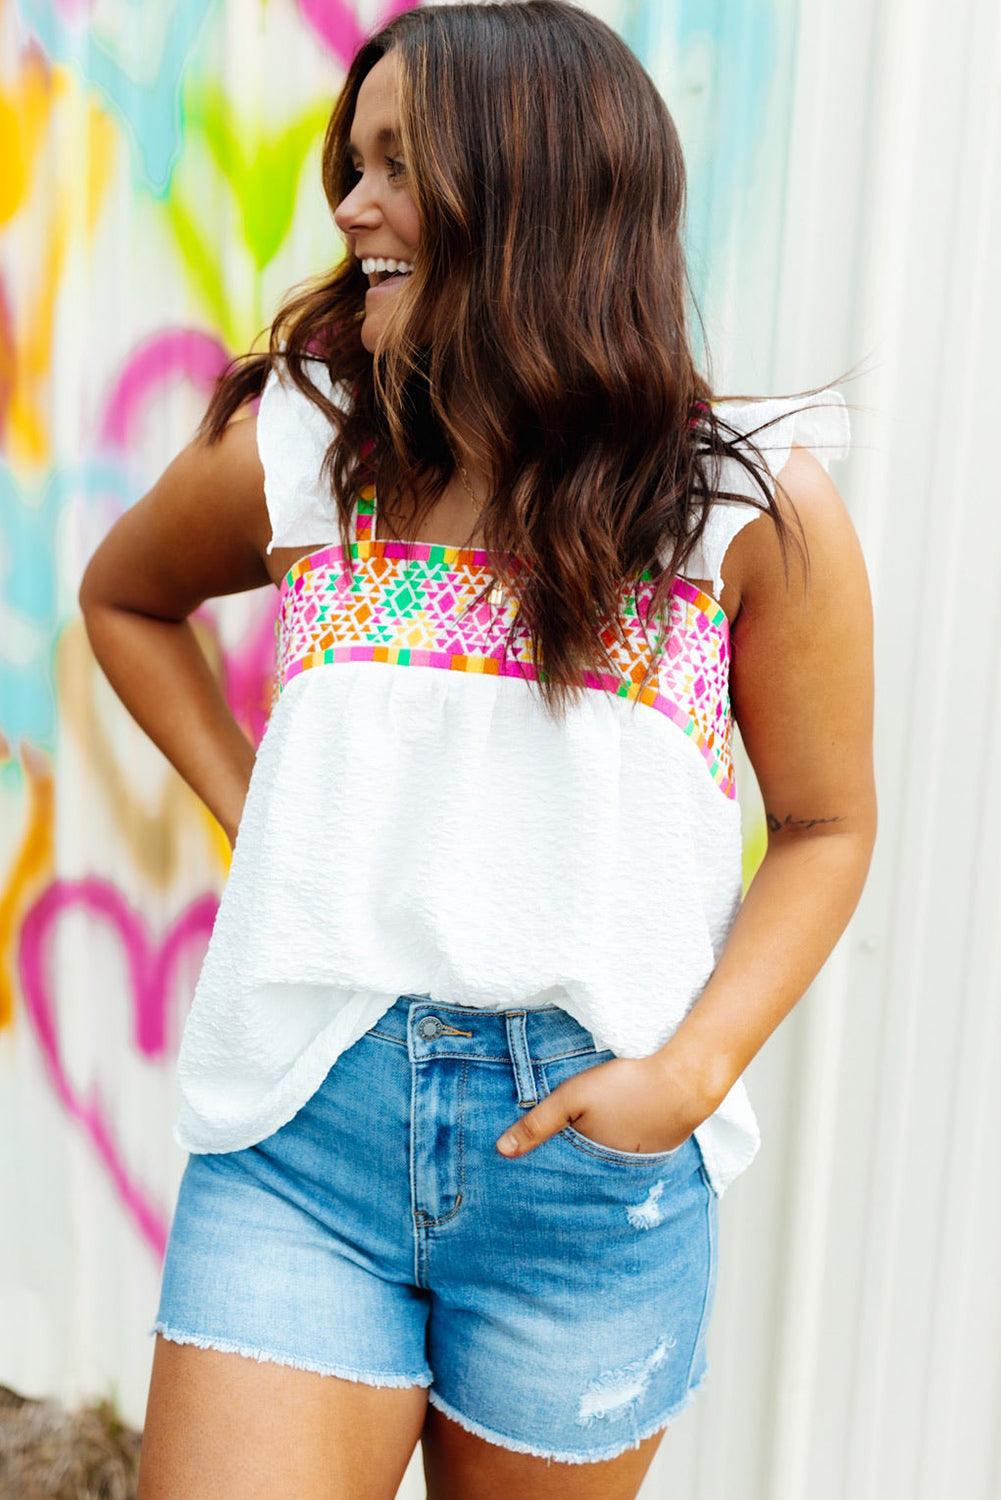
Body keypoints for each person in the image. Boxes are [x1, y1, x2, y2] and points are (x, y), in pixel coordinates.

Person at [78, 3, 876, 1496]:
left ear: (535, 187)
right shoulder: (310, 445)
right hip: (302, 1131)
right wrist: (264, 818)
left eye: (396, 164)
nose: (351, 205)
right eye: (351, 163)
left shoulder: (745, 503)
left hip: (585, 1168)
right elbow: (126, 600)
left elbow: (827, 826)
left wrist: (692, 1074)